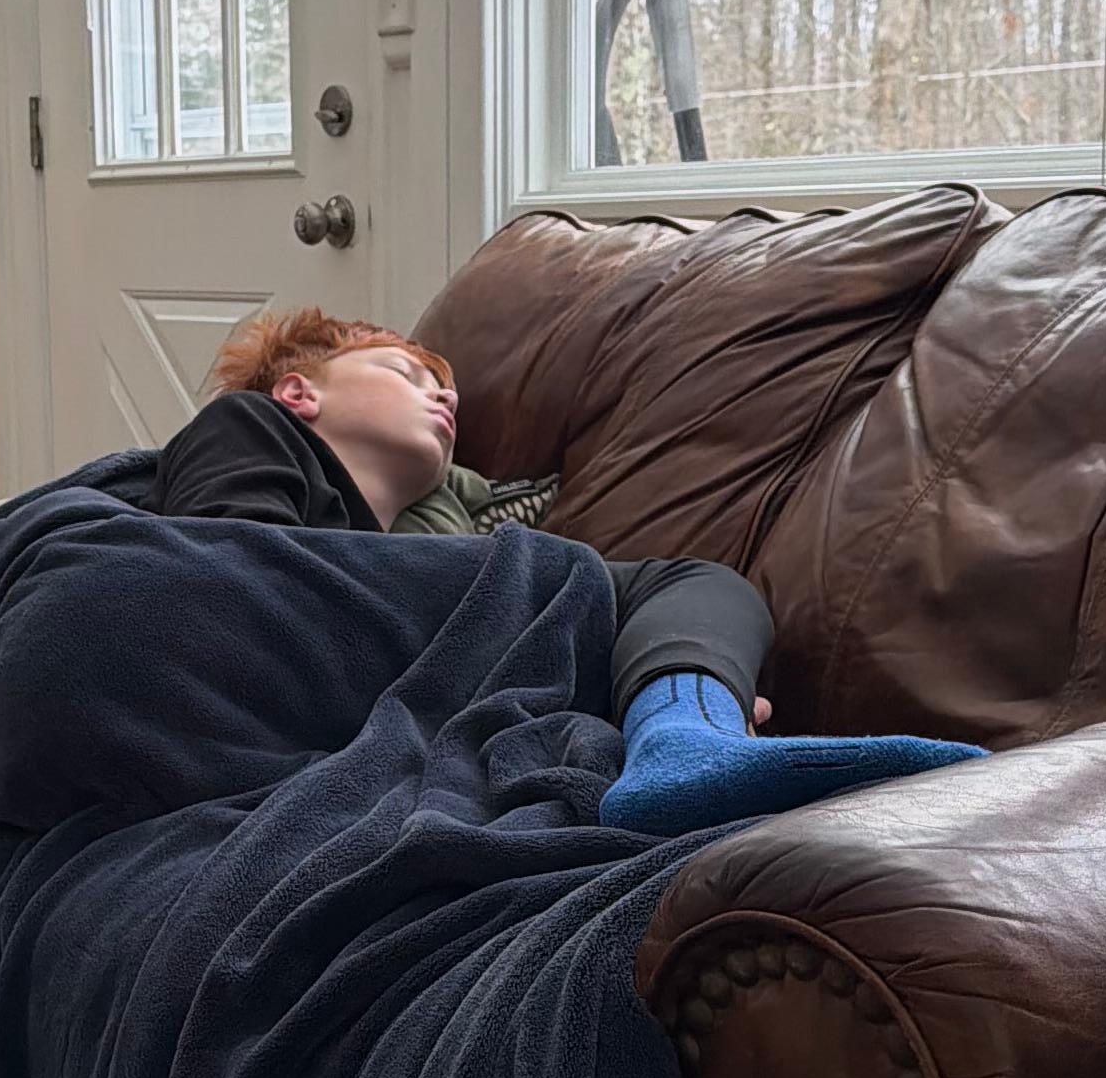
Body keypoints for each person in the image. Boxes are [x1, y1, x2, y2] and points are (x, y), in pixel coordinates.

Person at [147, 307, 975, 840]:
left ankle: (689, 738)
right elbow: (220, 581)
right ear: (300, 393)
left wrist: (685, 668)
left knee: (699, 584)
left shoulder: (448, 545)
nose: (444, 400)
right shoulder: (249, 427)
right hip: (310, 657)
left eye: (451, 394)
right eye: (407, 374)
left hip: (428, 631)